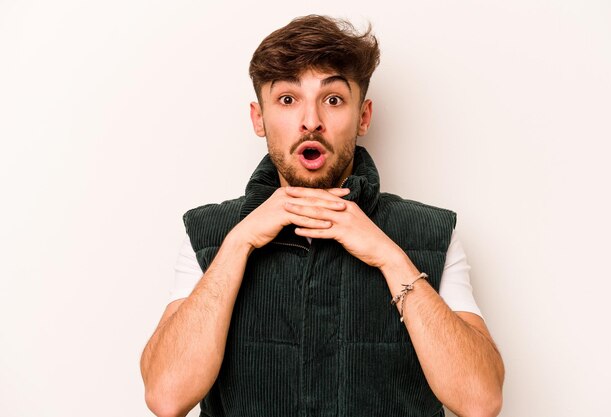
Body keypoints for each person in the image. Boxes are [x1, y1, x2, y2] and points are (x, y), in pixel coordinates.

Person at [140, 14, 504, 417]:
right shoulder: (209, 233)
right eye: (287, 99)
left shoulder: (433, 233)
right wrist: (237, 245)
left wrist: (390, 257)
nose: (311, 121)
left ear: (363, 116)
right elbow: (166, 397)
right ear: (258, 119)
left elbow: (481, 401)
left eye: (332, 100)